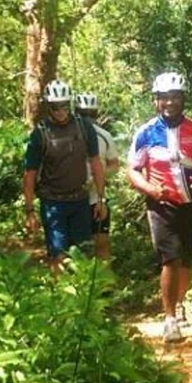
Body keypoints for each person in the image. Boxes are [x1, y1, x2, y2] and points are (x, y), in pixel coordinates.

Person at [127, 72, 192, 343]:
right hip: (161, 206)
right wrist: (149, 189)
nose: (170, 102)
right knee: (170, 258)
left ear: (183, 99)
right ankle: (169, 319)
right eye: (164, 97)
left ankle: (179, 303)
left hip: (190, 204)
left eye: (175, 97)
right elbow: (132, 170)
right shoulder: (146, 133)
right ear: (155, 101)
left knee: (186, 260)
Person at [23, 79, 108, 266]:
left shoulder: (84, 127)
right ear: (48, 106)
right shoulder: (40, 134)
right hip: (53, 203)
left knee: (83, 254)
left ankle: (79, 286)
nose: (60, 111)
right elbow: (30, 173)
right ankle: (59, 284)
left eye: (64, 106)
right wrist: (29, 211)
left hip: (80, 201)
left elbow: (96, 163)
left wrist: (101, 199)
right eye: (55, 107)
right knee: (58, 255)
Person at [75, 91, 123, 260]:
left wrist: (98, 177)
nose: (87, 118)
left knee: (102, 242)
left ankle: (104, 276)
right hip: (72, 199)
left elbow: (114, 164)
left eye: (91, 114)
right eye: (83, 114)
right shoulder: (66, 135)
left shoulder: (104, 135)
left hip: (97, 197)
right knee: (75, 247)